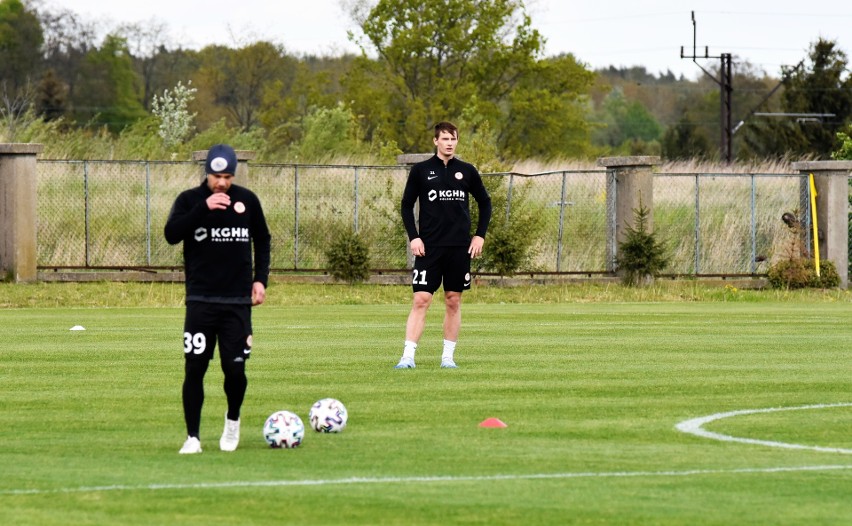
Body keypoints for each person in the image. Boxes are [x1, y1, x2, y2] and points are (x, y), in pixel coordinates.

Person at [164, 144, 271, 454]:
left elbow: (262, 240)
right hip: (200, 301)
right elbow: (172, 234)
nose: (222, 183)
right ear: (206, 174)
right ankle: (193, 438)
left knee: (235, 370)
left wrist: (260, 280)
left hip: (237, 302)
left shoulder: (247, 201)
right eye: (216, 176)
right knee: (194, 369)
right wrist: (204, 208)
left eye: (227, 177)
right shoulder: (189, 200)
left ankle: (233, 420)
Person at [395, 122, 492, 369]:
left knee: (453, 299)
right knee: (421, 299)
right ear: (435, 141)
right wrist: (414, 237)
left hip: (459, 248)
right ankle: (407, 357)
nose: (449, 143)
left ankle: (447, 357)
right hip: (429, 248)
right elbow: (406, 205)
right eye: (445, 138)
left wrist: (479, 235)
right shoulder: (421, 170)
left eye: (453, 139)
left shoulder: (467, 171)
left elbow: (485, 203)